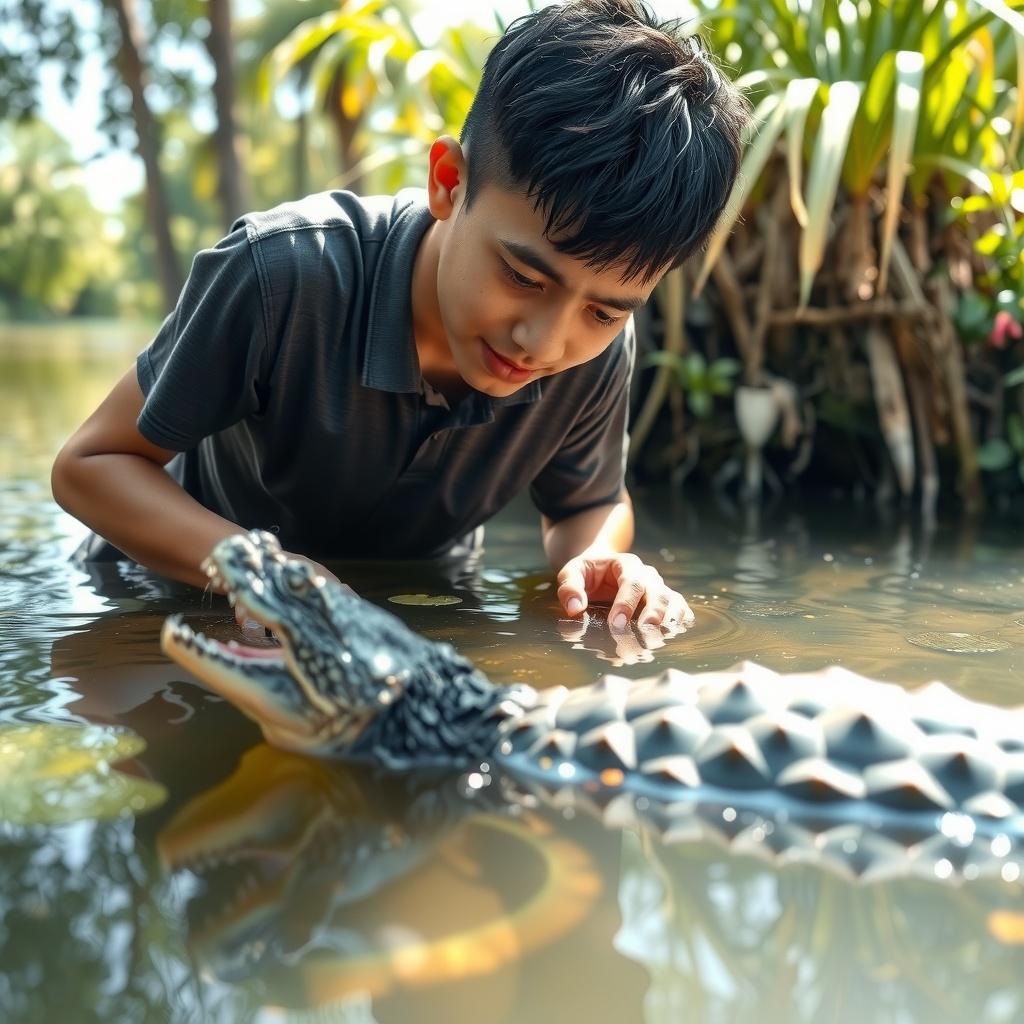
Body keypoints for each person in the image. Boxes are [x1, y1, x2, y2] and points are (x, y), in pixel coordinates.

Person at [51, 0, 749, 636]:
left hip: (410, 614)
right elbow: (91, 465)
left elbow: (583, 505)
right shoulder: (282, 275)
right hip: (171, 595)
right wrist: (258, 571)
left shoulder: (595, 350)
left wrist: (599, 561)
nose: (542, 340)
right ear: (448, 181)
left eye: (602, 310)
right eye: (521, 276)